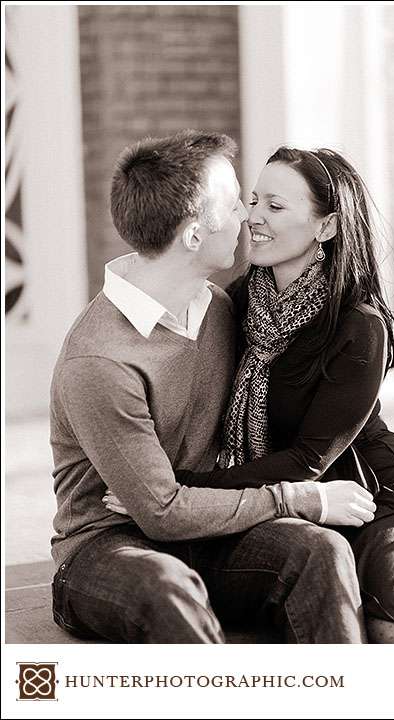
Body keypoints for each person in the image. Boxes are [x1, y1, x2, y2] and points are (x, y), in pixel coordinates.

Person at [107, 146, 394, 643]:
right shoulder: (233, 303)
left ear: (326, 227)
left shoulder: (357, 325)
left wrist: (181, 487)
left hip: (369, 489)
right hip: (280, 498)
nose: (253, 217)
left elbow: (307, 460)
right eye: (253, 201)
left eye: (275, 207)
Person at [50, 130, 372, 643]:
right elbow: (160, 513)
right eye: (234, 203)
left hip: (206, 531)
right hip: (106, 547)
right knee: (167, 584)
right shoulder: (101, 358)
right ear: (195, 235)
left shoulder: (221, 310)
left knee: (320, 550)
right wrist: (298, 498)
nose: (247, 216)